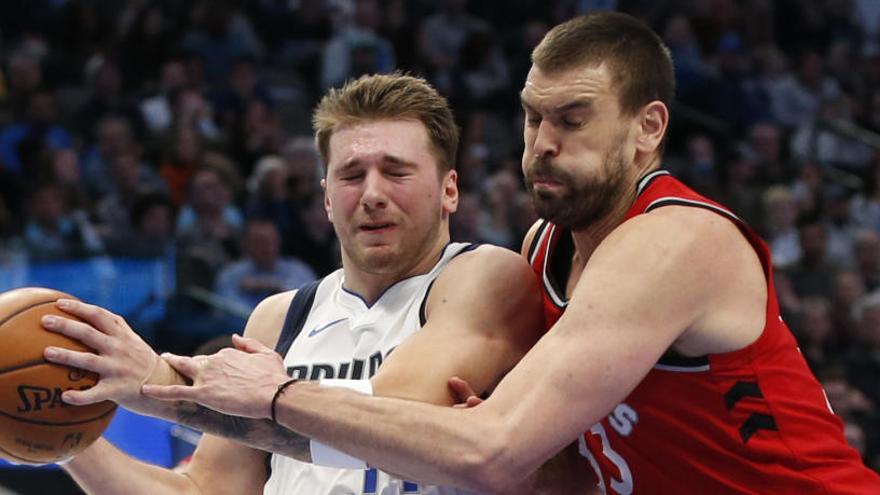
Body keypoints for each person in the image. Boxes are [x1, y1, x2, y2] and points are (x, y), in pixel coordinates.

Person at [132, 12, 880, 494]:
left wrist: (280, 392)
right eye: (531, 118)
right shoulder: (545, 246)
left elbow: (488, 450)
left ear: (649, 127)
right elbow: (550, 473)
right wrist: (125, 393)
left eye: (573, 119)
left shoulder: (673, 241)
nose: (544, 144)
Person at [40, 73, 548, 493]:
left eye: (396, 172)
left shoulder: (485, 275)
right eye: (351, 175)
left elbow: (394, 416)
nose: (372, 193)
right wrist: (60, 435)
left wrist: (156, 381)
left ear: (449, 190)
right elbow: (201, 490)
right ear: (327, 198)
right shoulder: (279, 316)